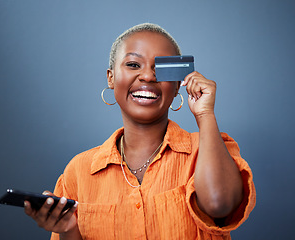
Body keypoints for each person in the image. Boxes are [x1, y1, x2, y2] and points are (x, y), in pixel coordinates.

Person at [24, 23, 256, 239]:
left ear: (177, 86)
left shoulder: (209, 149)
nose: (147, 76)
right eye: (133, 65)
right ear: (111, 78)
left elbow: (219, 204)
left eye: (161, 68)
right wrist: (69, 231)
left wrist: (205, 115)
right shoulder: (79, 171)